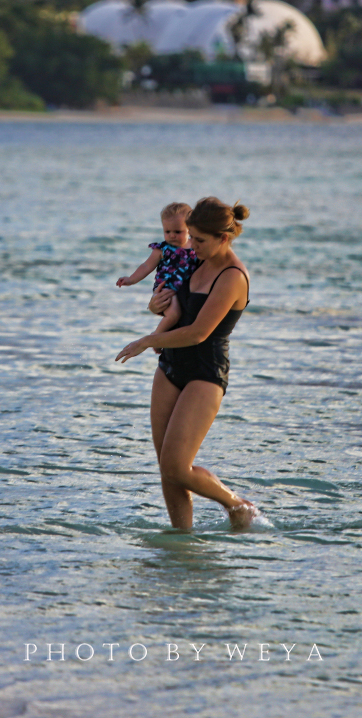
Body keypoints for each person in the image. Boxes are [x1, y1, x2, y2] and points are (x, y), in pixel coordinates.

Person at [115, 197, 256, 531]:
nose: (191, 245)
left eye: (199, 240)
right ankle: (182, 542)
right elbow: (174, 306)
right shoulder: (194, 259)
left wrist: (147, 340)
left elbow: (197, 333)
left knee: (178, 466)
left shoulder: (233, 275)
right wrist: (156, 307)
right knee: (166, 466)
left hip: (205, 373)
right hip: (170, 366)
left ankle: (239, 506)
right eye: (190, 237)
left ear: (224, 238)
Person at [117, 201, 198, 340]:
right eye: (167, 231)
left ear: (190, 229)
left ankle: (165, 341)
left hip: (187, 290)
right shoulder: (161, 249)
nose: (172, 235)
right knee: (174, 315)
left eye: (177, 232)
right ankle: (155, 338)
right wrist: (131, 279)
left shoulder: (197, 247)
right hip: (167, 289)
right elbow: (146, 266)